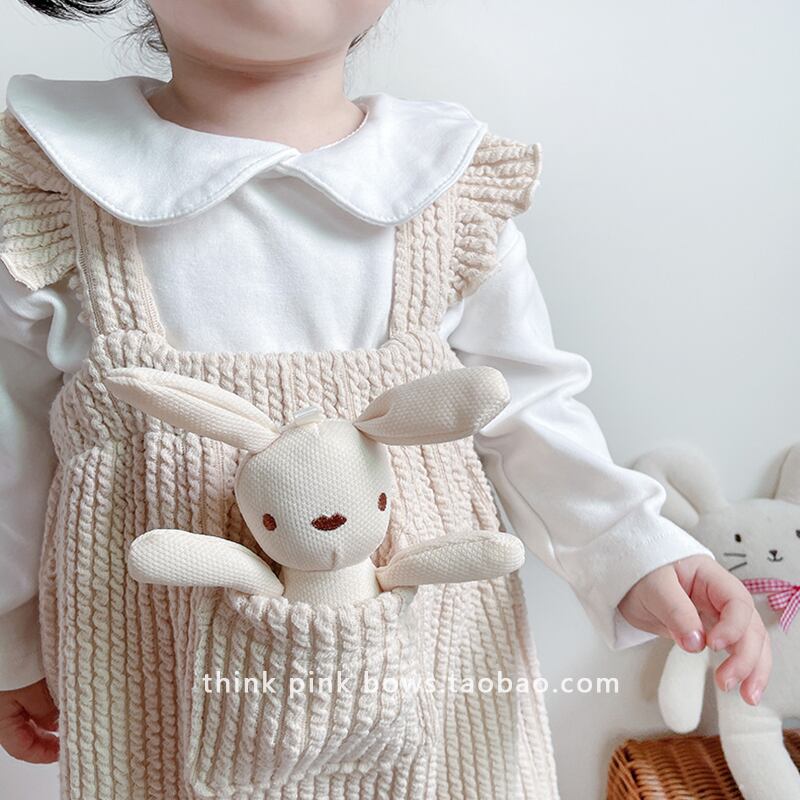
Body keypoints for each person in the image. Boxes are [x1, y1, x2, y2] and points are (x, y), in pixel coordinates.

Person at [0, 2, 770, 797]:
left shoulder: (444, 188)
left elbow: (528, 410)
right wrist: (12, 643)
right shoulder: (54, 190)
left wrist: (635, 552)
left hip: (436, 667)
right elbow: (11, 445)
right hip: (153, 671)